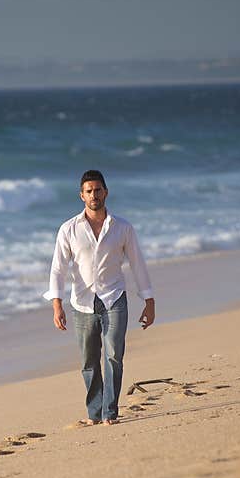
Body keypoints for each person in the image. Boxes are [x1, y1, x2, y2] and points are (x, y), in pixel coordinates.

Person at [43, 170, 155, 425]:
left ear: (106, 192)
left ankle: (110, 412)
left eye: (98, 190)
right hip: (82, 303)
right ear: (81, 195)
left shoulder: (123, 228)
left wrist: (149, 300)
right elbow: (58, 268)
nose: (94, 194)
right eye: (89, 191)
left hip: (114, 296)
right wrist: (56, 304)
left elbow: (138, 264)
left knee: (114, 353)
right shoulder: (68, 229)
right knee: (89, 360)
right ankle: (95, 411)